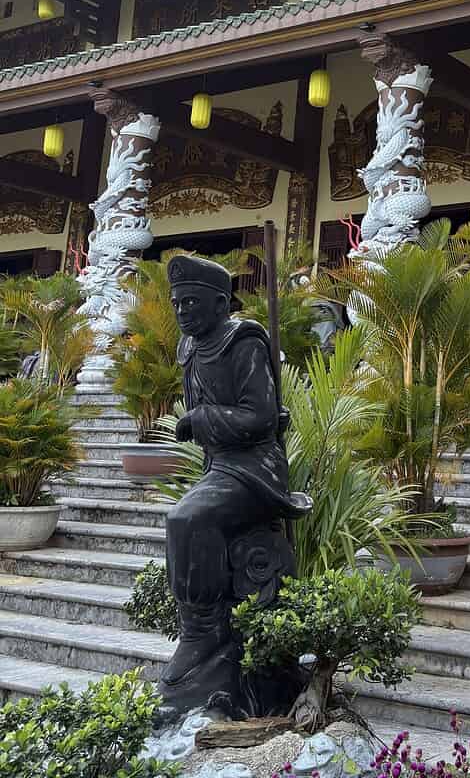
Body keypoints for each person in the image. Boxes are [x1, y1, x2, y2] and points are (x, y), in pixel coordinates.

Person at [161, 254, 307, 705]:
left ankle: (202, 631)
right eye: (178, 304)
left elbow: (260, 416)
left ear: (222, 303)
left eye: (192, 303)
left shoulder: (242, 341)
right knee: (189, 521)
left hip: (254, 469)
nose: (183, 312)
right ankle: (207, 633)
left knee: (186, 519)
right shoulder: (190, 348)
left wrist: (202, 418)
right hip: (220, 466)